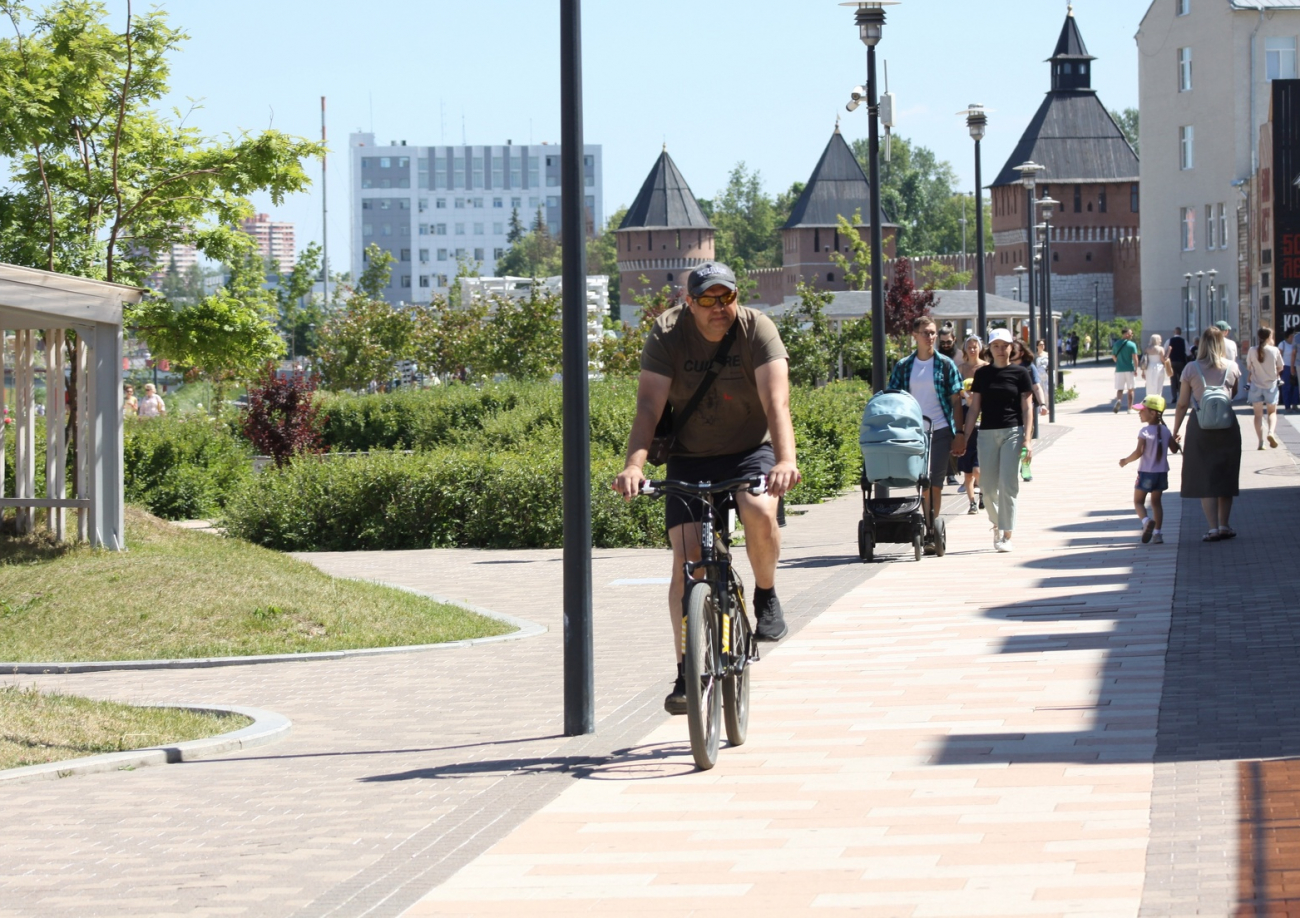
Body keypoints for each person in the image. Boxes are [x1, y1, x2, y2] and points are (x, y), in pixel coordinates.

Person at [614, 261, 800, 715]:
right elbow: (648, 405)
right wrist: (633, 464)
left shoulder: (758, 330)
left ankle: (765, 592)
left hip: (748, 449)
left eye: (727, 297)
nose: (719, 308)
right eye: (707, 300)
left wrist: (785, 459)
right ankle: (685, 671)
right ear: (689, 302)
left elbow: (777, 401)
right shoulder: (667, 333)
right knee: (685, 561)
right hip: (689, 456)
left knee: (758, 510)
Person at [888, 315, 967, 533]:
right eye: (926, 333)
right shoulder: (904, 366)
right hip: (913, 433)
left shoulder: (945, 364)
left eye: (933, 332)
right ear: (915, 336)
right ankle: (926, 521)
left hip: (940, 430)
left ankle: (932, 527)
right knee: (922, 482)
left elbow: (956, 401)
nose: (930, 337)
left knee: (936, 481)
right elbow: (893, 398)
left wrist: (959, 432)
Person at [963, 328, 1034, 552]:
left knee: (1008, 484)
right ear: (990, 349)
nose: (1001, 350)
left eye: (1005, 346)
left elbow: (1027, 408)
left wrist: (1028, 439)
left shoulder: (1020, 373)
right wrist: (964, 437)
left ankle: (1007, 534)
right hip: (986, 433)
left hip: (1012, 431)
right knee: (987, 486)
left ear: (1011, 347)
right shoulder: (982, 375)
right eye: (996, 346)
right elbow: (974, 407)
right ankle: (996, 523)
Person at [1171, 327, 1242, 542]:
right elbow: (1234, 394)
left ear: (1201, 344)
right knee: (1226, 474)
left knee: (1205, 475)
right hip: (1227, 426)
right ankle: (1225, 525)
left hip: (1200, 426)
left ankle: (1212, 528)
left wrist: (1175, 430)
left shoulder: (1191, 369)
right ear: (1222, 344)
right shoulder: (1232, 367)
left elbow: (1182, 403)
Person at [1119, 394, 1175, 545]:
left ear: (1153, 413)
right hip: (1162, 473)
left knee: (1138, 501)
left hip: (1146, 473)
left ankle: (1146, 521)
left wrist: (1125, 461)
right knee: (1156, 503)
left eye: (1142, 410)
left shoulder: (1144, 431)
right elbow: (1175, 449)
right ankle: (1158, 534)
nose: (1139, 413)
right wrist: (1177, 439)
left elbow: (1139, 452)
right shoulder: (1165, 430)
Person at [955, 336, 985, 514]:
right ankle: (972, 502)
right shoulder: (960, 369)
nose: (973, 350)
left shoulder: (986, 367)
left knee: (978, 468)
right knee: (967, 470)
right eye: (969, 347)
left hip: (983, 415)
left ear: (980, 348)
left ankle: (982, 492)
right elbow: (956, 393)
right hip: (965, 415)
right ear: (965, 350)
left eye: (975, 347)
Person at [1246, 326, 1284, 450]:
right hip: (1271, 386)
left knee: (1258, 415)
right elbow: (1280, 367)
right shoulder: (1275, 350)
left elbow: (1248, 367)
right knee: (1272, 412)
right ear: (1269, 337)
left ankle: (1261, 442)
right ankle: (1271, 433)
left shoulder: (1252, 350)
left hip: (1256, 386)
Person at [936, 326, 961, 485]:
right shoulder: (935, 357)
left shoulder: (960, 357)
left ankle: (953, 472)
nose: (946, 345)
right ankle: (947, 473)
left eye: (949, 342)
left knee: (956, 436)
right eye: (943, 342)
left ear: (954, 340)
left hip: (958, 399)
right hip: (940, 401)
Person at [1110, 327, 1140, 413]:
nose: (1132, 335)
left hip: (1119, 369)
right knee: (1130, 389)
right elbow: (1135, 358)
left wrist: (1118, 362)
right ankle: (1130, 408)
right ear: (1126, 334)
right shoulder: (1132, 345)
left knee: (1120, 389)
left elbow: (1113, 356)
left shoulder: (1116, 344)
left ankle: (1119, 400)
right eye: (1131, 333)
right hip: (1129, 369)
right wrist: (1136, 369)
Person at [1143, 334, 1170, 403]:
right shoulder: (1160, 349)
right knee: (1158, 385)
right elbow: (1164, 360)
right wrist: (1169, 352)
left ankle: (1149, 400)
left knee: (1150, 385)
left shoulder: (1147, 348)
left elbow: (1145, 360)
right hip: (1158, 367)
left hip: (1149, 367)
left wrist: (1143, 371)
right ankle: (1157, 400)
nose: (1161, 340)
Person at [1280, 328, 1299, 412]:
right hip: (1286, 367)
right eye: (1292, 335)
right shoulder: (1282, 344)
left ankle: (1295, 404)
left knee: (1296, 387)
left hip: (1296, 366)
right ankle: (1287, 406)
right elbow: (1279, 356)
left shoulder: (1296, 343)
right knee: (1287, 387)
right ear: (1289, 336)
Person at [1167, 326, 1189, 392]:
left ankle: (1174, 396)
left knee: (1173, 379)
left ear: (1174, 332)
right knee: (1181, 379)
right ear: (1181, 333)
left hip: (1172, 362)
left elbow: (1165, 350)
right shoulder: (1184, 341)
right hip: (1181, 362)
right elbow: (1188, 353)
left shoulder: (1169, 340)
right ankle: (1181, 393)